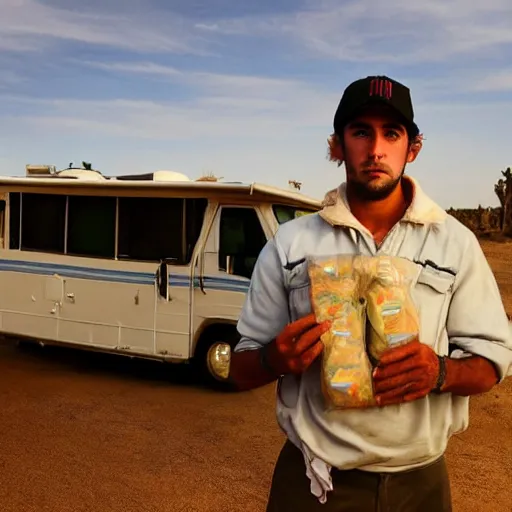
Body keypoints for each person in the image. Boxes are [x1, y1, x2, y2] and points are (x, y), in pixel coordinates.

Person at [226, 75, 512, 511]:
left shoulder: (454, 243)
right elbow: (240, 367)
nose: (376, 150)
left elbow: (492, 363)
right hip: (313, 480)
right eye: (361, 132)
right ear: (337, 146)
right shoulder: (291, 245)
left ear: (411, 148)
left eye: (391, 134)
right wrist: (274, 359)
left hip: (421, 485)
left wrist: (439, 373)